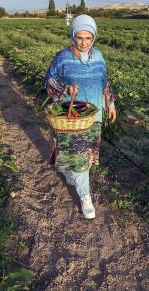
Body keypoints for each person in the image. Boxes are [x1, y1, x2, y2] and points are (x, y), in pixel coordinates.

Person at [45, 14, 117, 219]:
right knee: (78, 155)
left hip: (94, 115)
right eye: (79, 37)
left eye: (88, 38)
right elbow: (49, 82)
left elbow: (104, 82)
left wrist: (111, 103)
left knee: (84, 154)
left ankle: (70, 173)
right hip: (72, 117)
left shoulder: (99, 56)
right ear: (72, 36)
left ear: (93, 37)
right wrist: (65, 87)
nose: (84, 42)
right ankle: (85, 196)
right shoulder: (62, 57)